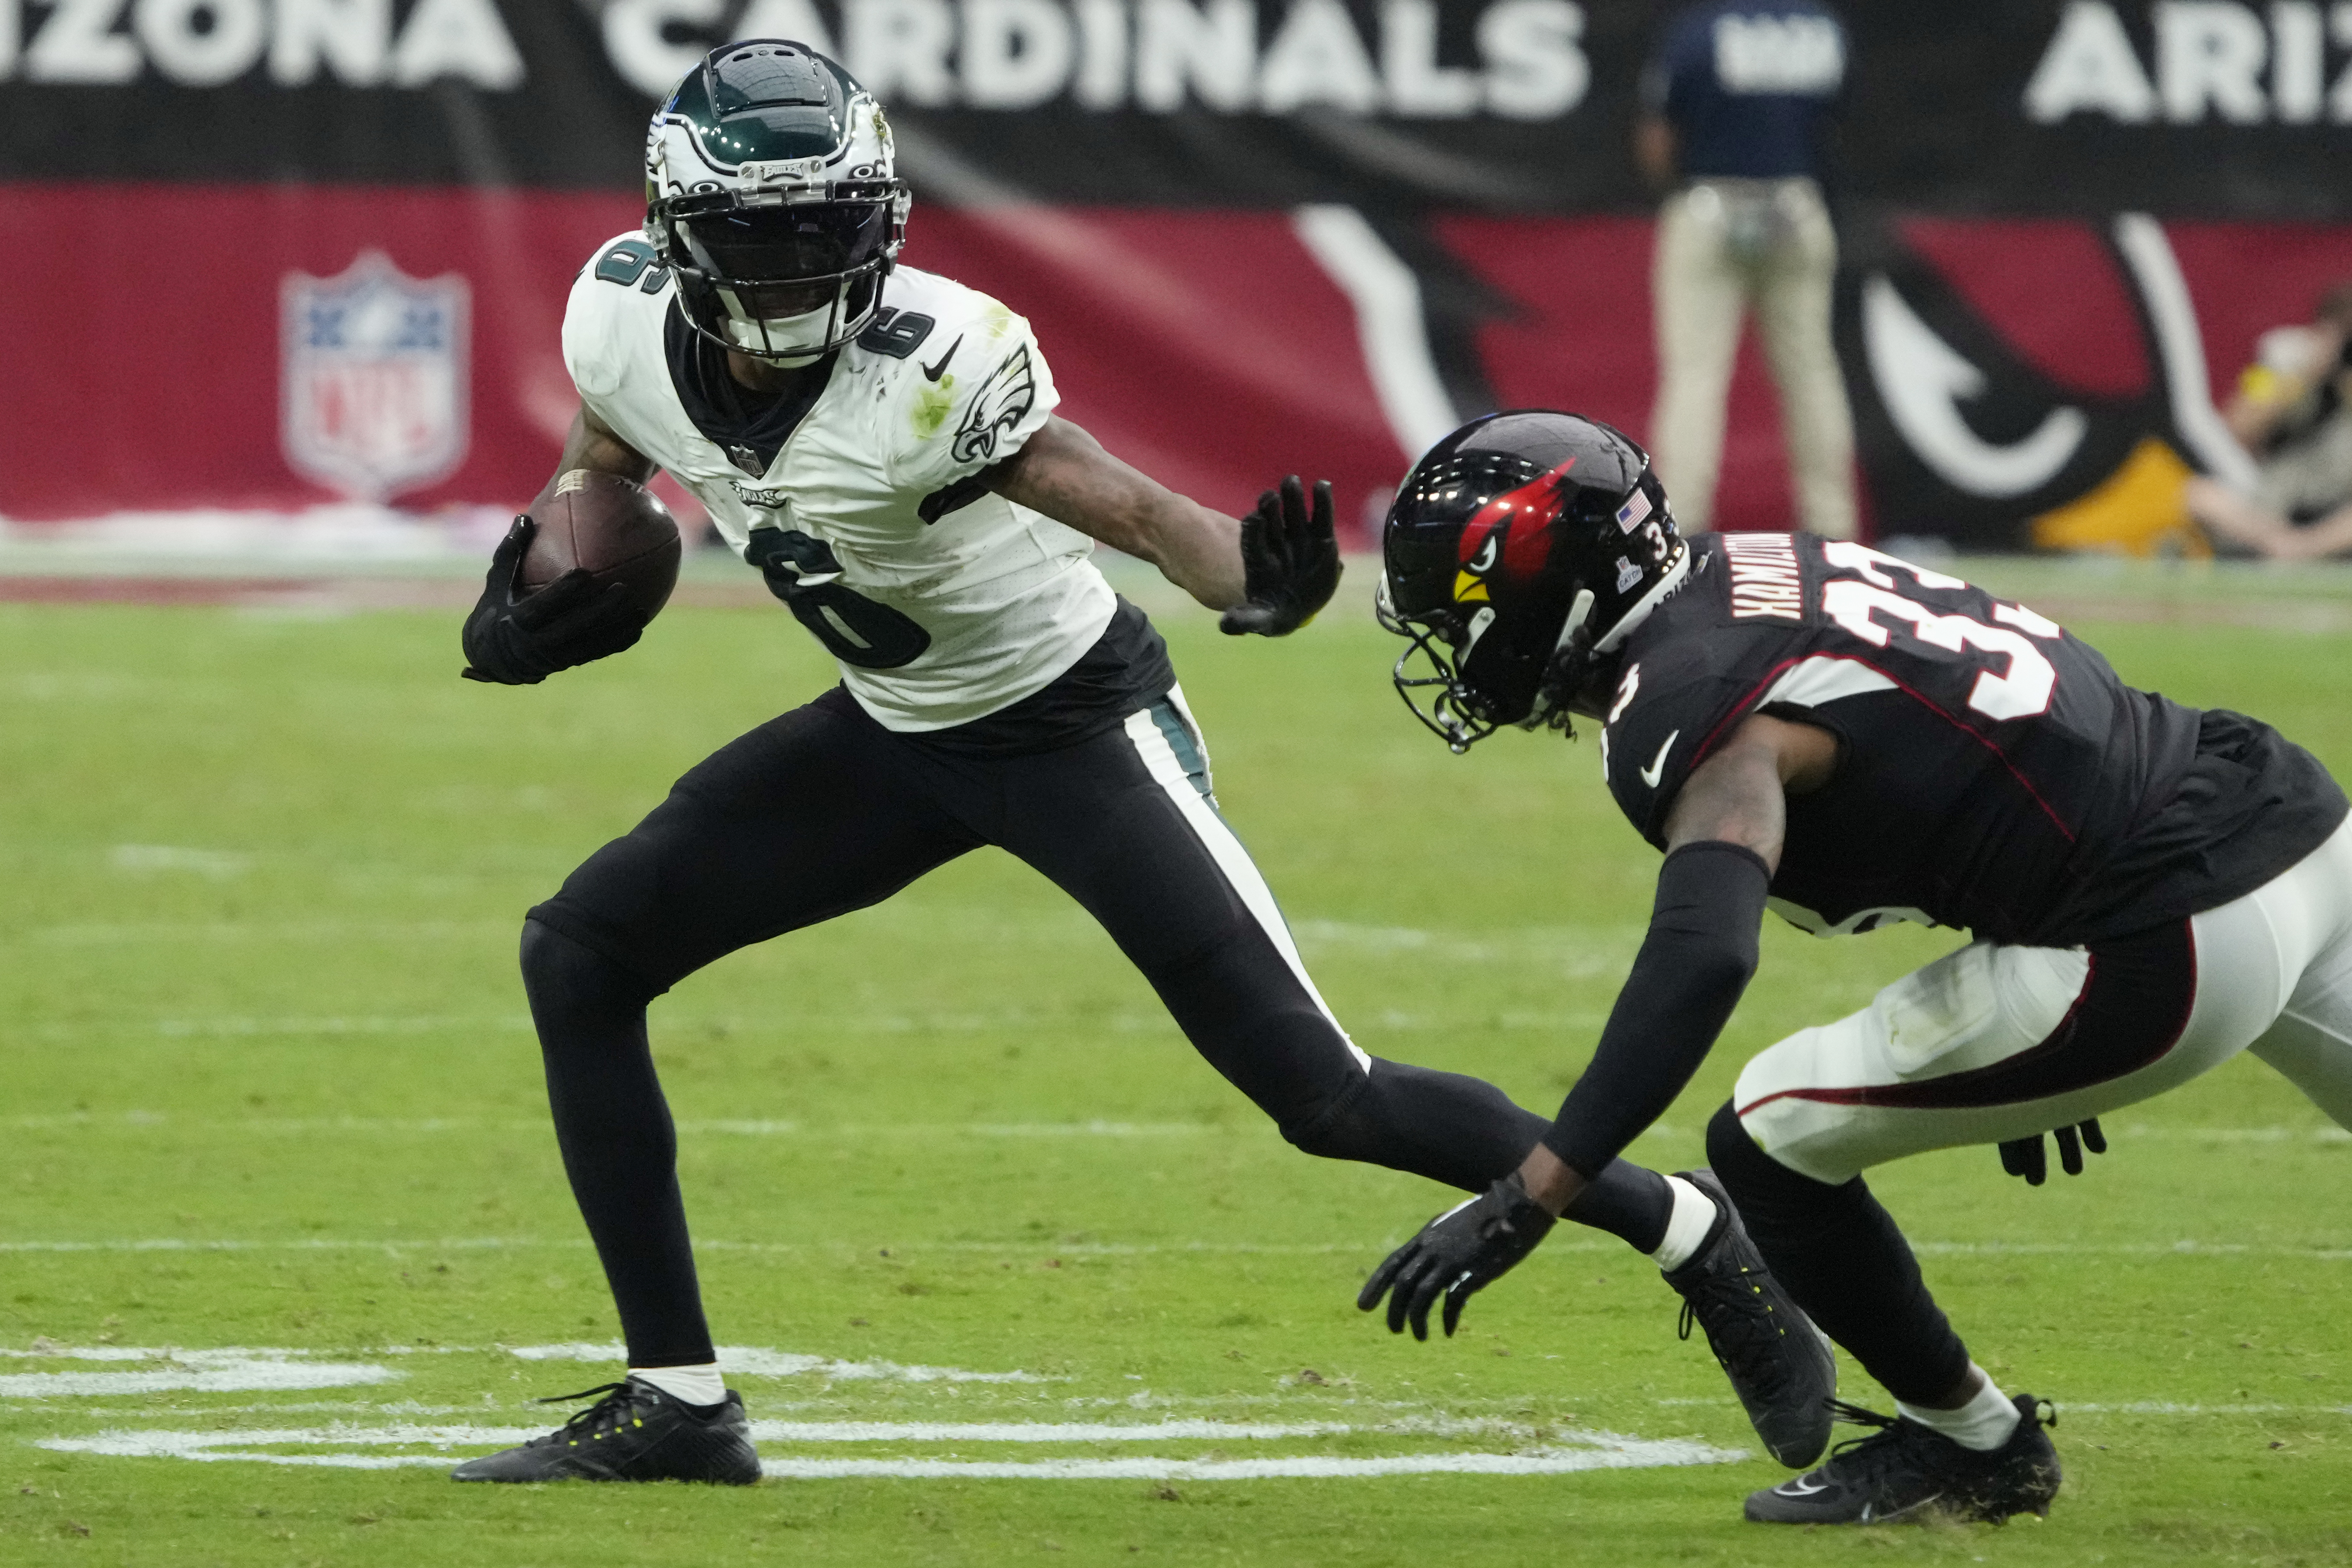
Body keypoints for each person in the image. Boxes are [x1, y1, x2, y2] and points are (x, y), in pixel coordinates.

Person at [446, 42, 1829, 1484]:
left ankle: (1684, 1227)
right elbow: (612, 443)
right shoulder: (618, 320)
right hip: (894, 725)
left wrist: (1258, 583)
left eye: (825, 246)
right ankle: (677, 1400)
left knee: (1329, 1098)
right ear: (684, 248)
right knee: (582, 951)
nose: (798, 282)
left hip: (1068, 726)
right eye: (763, 250)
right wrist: (557, 551)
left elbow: (1129, 503)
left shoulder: (933, 366)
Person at [1361, 410, 2352, 1525]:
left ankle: (1973, 1441)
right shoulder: (1743, 570)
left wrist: (1532, 1190)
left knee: (1766, 1138)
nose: (1455, 643)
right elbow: (2005, 728)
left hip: (2161, 928)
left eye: (1463, 610)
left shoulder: (1684, 701)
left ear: (1558, 595)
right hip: (2285, 819)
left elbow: (1701, 954)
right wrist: (2028, 939)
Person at [1637, 0, 1857, 539]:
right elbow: (1839, 124)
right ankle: (1832, 527)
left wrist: (1675, 191)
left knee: (1694, 376)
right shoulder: (1821, 29)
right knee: (1811, 373)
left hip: (1710, 203)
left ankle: (1681, 525)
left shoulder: (1699, 31)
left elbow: (1659, 135)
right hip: (1795, 203)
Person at [2186, 280, 2352, 561]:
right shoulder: (2286, 356)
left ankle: (2306, 549)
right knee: (2201, 496)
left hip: (2339, 501)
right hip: (2278, 499)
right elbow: (2236, 425)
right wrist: (2302, 376)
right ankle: (2288, 547)